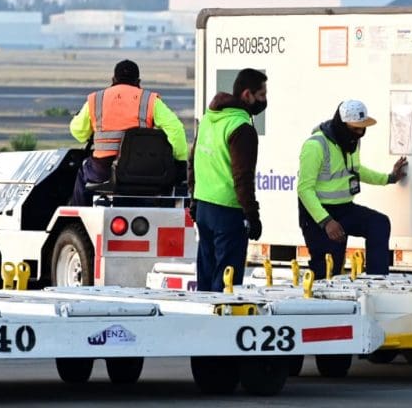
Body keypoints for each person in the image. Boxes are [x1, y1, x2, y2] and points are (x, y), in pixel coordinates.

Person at [297, 99, 408, 278]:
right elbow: (304, 189)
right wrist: (327, 222)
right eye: (355, 128)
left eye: (363, 129)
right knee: (328, 271)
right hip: (318, 215)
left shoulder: (351, 141)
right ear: (342, 125)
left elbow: (356, 170)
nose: (360, 133)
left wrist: (389, 178)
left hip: (344, 209)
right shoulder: (316, 145)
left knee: (378, 223)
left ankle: (376, 281)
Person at [188, 69, 268, 292]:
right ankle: (222, 316)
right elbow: (242, 177)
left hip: (204, 208)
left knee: (206, 277)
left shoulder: (209, 119)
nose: (264, 101)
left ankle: (205, 314)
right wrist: (252, 215)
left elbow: (193, 161)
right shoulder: (241, 128)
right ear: (247, 95)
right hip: (228, 212)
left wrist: (194, 200)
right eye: (261, 95)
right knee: (227, 284)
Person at [69, 59, 187, 206]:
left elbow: (78, 132)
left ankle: (78, 216)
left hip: (103, 171)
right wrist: (179, 161)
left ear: (113, 80)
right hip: (142, 171)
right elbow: (176, 129)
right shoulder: (149, 100)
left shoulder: (96, 99)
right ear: (138, 81)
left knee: (83, 172)